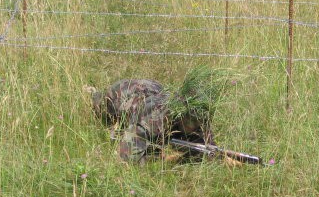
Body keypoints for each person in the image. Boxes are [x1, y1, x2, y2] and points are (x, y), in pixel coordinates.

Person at [90, 69, 221, 164]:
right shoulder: (152, 118)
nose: (196, 126)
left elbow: (208, 147)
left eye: (201, 121)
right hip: (123, 92)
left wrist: (223, 158)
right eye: (192, 122)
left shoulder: (197, 113)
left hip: (154, 88)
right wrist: (170, 159)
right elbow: (125, 158)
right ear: (181, 112)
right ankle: (92, 92)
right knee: (99, 106)